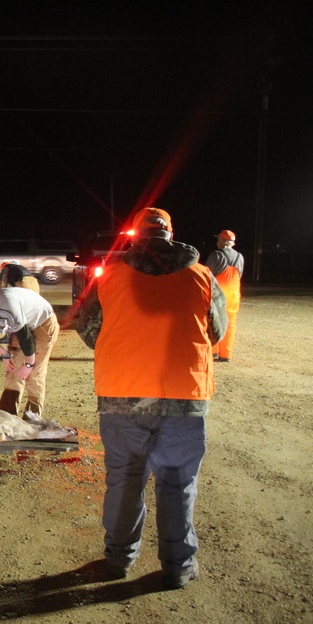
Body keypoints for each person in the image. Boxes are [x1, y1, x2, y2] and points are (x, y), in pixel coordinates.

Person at [75, 207, 227, 590]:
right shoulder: (202, 275)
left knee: (125, 479)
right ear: (170, 233)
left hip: (121, 396)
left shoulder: (110, 276)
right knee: (177, 482)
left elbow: (89, 331)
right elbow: (217, 331)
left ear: (135, 236)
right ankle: (177, 566)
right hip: (183, 396)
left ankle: (118, 559)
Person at [0, 284, 59, 417]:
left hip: (43, 322)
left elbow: (25, 338)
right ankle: (7, 418)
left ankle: (32, 421)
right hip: (23, 320)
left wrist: (28, 364)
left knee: (34, 374)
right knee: (13, 370)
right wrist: (4, 354)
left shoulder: (10, 310)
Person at [205, 230, 244, 362]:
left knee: (213, 321)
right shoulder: (240, 257)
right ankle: (226, 354)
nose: (217, 242)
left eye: (218, 239)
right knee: (230, 323)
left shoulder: (216, 255)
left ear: (223, 241)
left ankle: (213, 351)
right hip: (233, 295)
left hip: (218, 295)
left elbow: (207, 275)